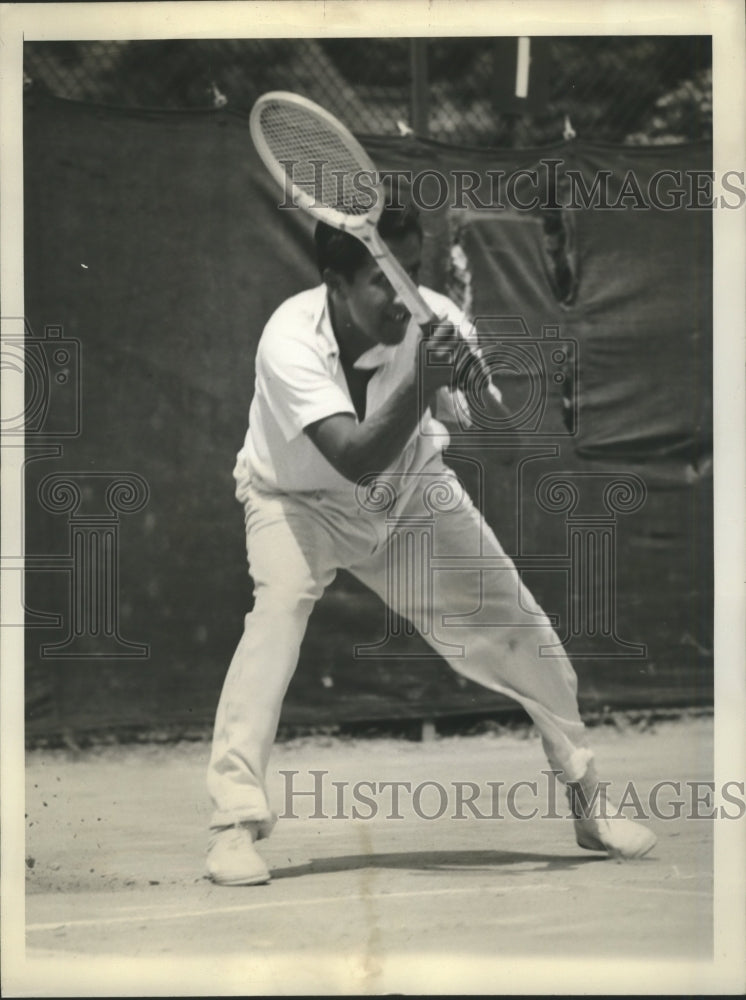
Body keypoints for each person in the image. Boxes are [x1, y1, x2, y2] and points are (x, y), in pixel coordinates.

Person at [205, 186, 657, 886]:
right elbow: (353, 454)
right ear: (335, 283)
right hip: (296, 506)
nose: (403, 295)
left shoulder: (434, 318)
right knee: (277, 617)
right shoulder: (287, 340)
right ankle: (234, 825)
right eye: (384, 280)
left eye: (412, 272)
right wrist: (423, 384)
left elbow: (482, 421)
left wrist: (463, 382)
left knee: (518, 626)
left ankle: (590, 800)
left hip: (411, 496)